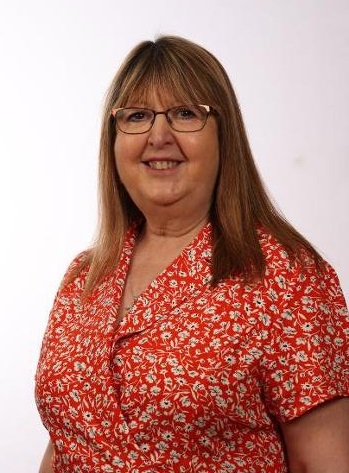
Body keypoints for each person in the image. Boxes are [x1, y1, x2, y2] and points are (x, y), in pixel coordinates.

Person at [35, 35, 349, 473]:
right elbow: (65, 440)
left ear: (225, 134)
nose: (158, 136)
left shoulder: (288, 277)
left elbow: (326, 463)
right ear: (114, 139)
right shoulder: (83, 277)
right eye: (138, 115)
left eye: (186, 113)